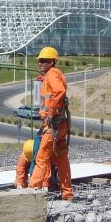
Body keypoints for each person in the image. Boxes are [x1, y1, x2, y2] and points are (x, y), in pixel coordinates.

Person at [27, 46, 73, 201]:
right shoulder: (53, 74)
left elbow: (59, 91)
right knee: (61, 160)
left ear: (52, 62)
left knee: (41, 158)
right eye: (40, 60)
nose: (40, 63)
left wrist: (50, 112)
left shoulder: (52, 74)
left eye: (44, 60)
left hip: (53, 124)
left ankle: (30, 192)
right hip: (60, 124)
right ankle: (67, 194)